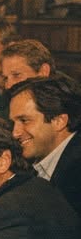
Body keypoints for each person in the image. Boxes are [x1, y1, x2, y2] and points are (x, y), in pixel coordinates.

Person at [9, 75, 81, 216]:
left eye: (24, 120)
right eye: (13, 123)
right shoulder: (32, 162)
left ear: (59, 121)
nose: (15, 133)